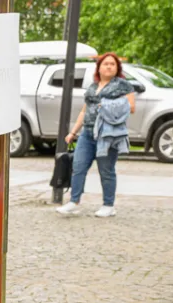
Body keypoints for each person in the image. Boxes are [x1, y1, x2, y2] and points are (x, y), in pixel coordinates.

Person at [57, 51, 136, 218]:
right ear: (99, 67)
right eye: (105, 63)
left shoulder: (123, 85)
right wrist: (73, 132)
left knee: (106, 170)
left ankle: (108, 205)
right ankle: (73, 201)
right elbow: (84, 111)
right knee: (78, 167)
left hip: (108, 134)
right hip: (87, 133)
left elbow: (131, 107)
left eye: (112, 64)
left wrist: (107, 105)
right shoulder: (93, 86)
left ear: (117, 68)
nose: (109, 66)